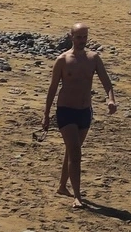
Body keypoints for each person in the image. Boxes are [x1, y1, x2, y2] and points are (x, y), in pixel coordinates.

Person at [42, 23, 117, 208]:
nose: (82, 40)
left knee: (71, 149)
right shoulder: (63, 59)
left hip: (85, 111)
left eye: (85, 37)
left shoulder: (93, 58)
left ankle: (62, 186)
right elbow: (52, 88)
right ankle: (77, 196)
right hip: (66, 110)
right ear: (71, 37)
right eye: (78, 37)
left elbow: (106, 82)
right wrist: (46, 114)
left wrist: (111, 99)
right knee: (75, 152)